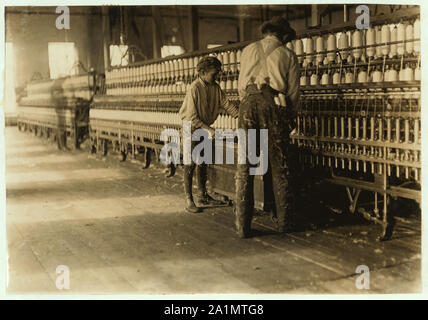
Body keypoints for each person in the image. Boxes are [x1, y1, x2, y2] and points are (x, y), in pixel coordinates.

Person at [235, 16, 300, 238]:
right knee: (280, 167)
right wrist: (290, 117)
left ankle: (242, 227)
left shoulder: (247, 50)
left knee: (245, 168)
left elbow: (240, 87)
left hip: (247, 106)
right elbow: (292, 93)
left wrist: (250, 102)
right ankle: (285, 225)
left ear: (266, 32)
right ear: (283, 35)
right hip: (273, 107)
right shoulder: (287, 54)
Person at [179, 56, 239, 213]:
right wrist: (209, 130)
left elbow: (226, 104)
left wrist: (240, 117)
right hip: (190, 127)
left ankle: (203, 195)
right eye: (214, 74)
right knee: (190, 163)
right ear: (202, 72)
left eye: (218, 73)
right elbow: (192, 117)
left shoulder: (215, 87)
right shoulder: (194, 88)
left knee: (203, 161)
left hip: (204, 127)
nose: (216, 77)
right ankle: (189, 200)